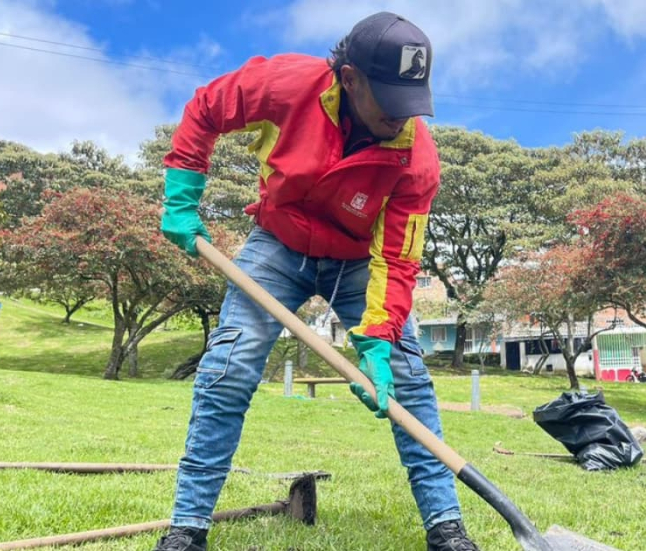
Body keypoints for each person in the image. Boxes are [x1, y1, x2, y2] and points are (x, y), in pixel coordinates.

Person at [155, 12, 478, 551]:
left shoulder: (416, 159)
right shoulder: (285, 85)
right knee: (228, 369)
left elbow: (397, 261)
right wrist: (182, 194)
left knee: (407, 377)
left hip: (356, 262)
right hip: (277, 242)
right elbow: (206, 108)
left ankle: (447, 529)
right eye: (390, 101)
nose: (404, 119)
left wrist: (378, 338)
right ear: (349, 80)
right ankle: (187, 529)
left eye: (413, 102)